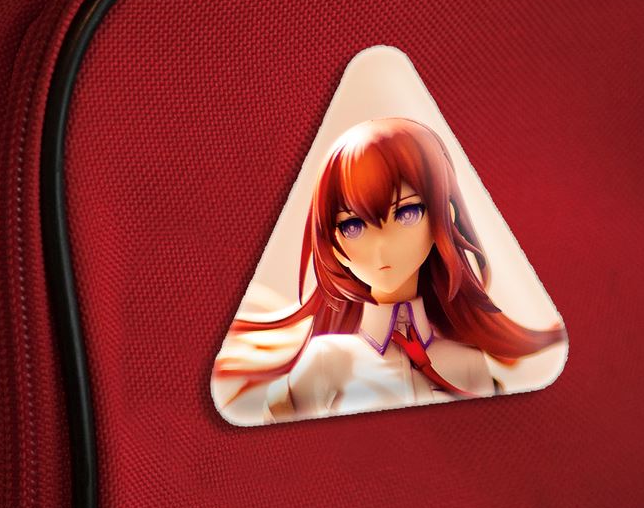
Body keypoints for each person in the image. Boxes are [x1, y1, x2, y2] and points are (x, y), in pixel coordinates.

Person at [211, 117, 567, 424]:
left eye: (406, 213)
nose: (381, 247)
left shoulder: (468, 363)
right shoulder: (326, 363)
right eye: (352, 226)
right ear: (333, 244)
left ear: (443, 219)